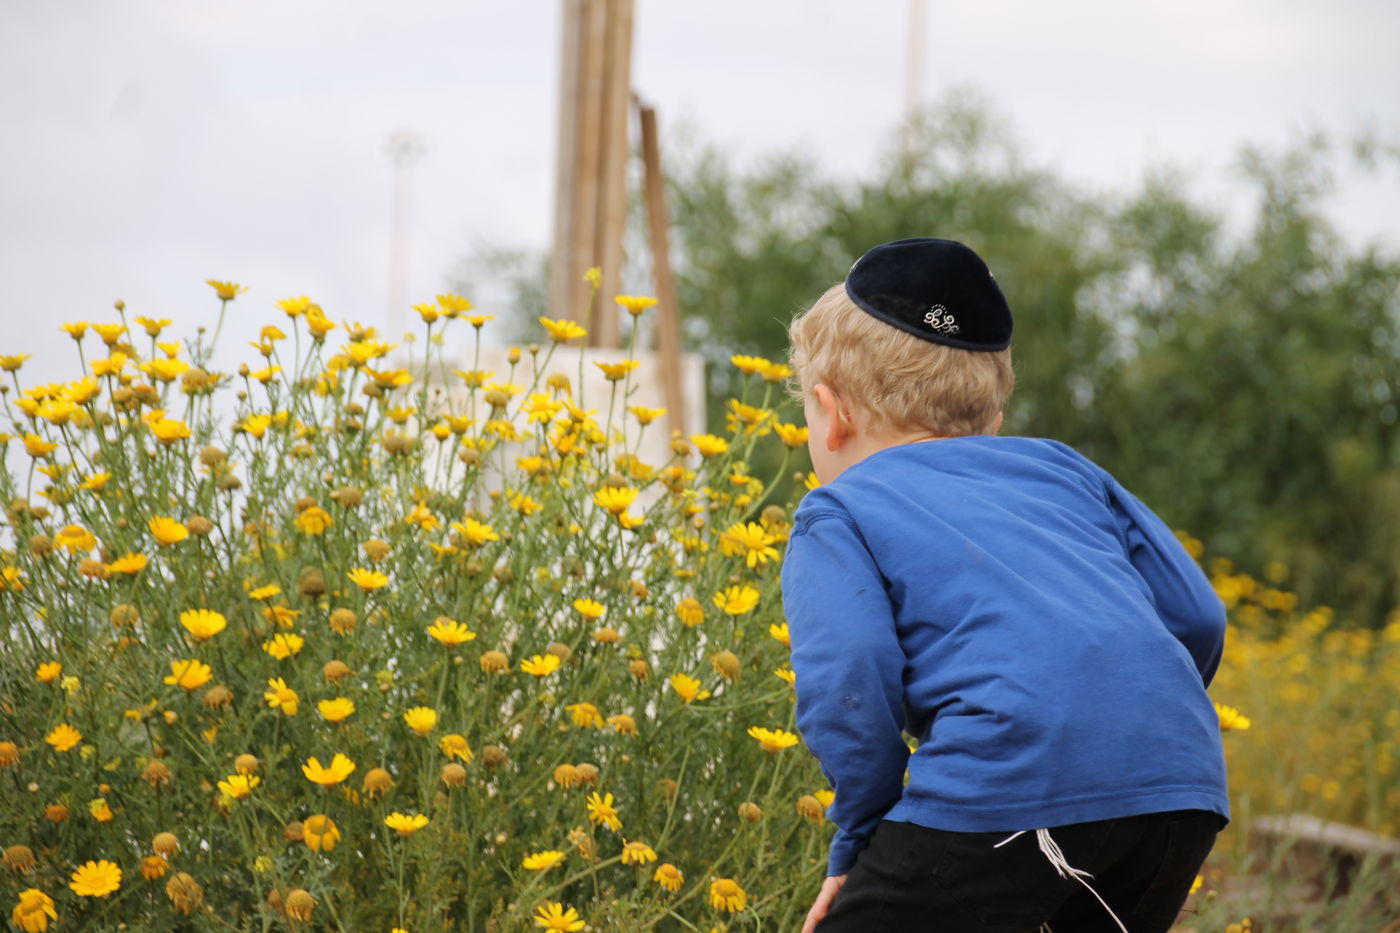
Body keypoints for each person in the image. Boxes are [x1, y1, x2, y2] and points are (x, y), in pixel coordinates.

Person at [782, 238, 1229, 933]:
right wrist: (1125, 724)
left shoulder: (840, 509)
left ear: (828, 411)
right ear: (992, 420)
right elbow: (1198, 617)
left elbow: (849, 677)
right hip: (1181, 790)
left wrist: (862, 837)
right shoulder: (1064, 470)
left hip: (1007, 782)